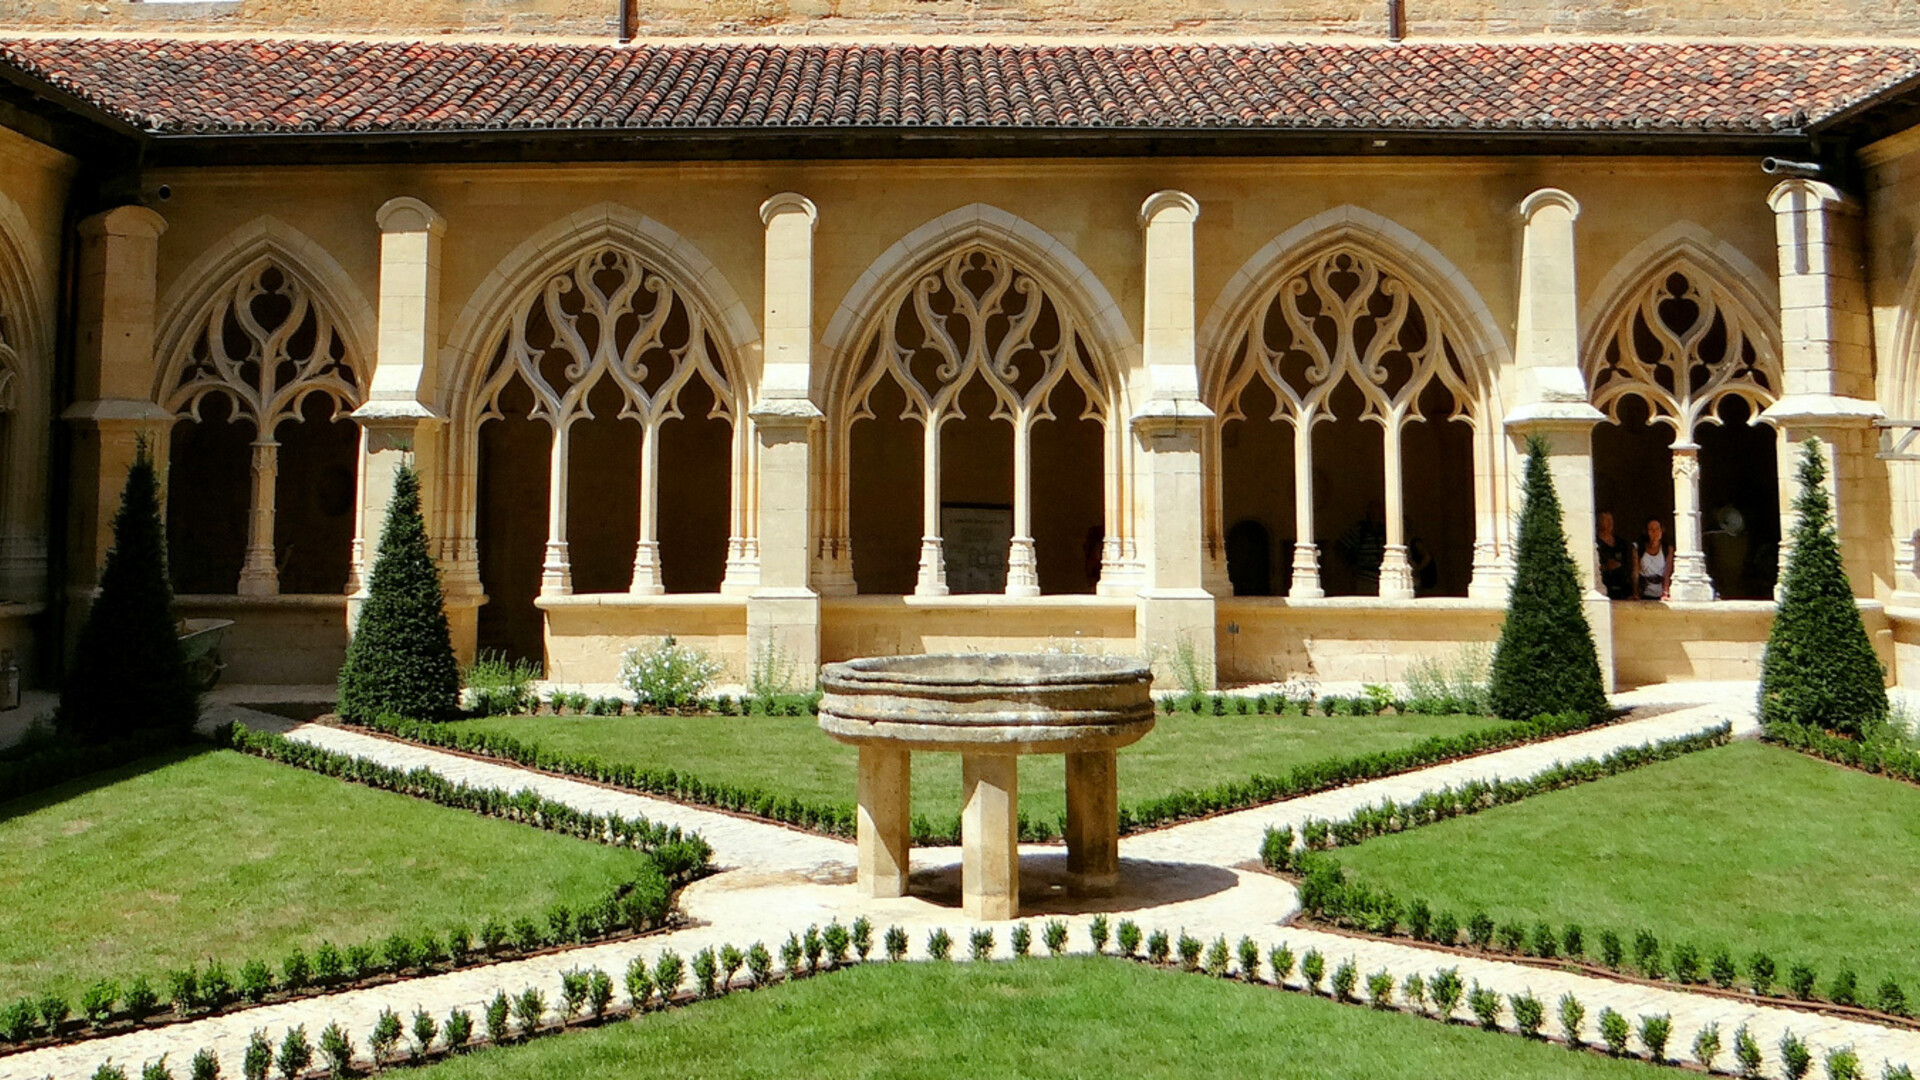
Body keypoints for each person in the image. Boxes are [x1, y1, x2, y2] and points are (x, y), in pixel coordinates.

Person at [1336, 501, 1386, 593]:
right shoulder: (1360, 530)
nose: (1378, 516)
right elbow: (1340, 546)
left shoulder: (1388, 532)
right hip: (1365, 578)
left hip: (1386, 577)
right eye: (1375, 512)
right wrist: (1349, 566)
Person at [1596, 511, 1635, 600]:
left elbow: (1628, 564)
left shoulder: (1621, 543)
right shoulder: (1595, 543)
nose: (1610, 523)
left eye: (1611, 520)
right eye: (1606, 520)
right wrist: (1606, 567)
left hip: (1622, 588)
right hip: (1604, 587)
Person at [1638, 517, 1673, 600]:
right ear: (1646, 532)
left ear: (1662, 530)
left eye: (1657, 529)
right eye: (1651, 529)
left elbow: (1667, 572)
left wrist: (1665, 592)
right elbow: (1635, 572)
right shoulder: (1639, 548)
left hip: (1660, 591)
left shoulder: (1667, 549)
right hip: (1644, 591)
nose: (1655, 532)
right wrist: (1636, 593)